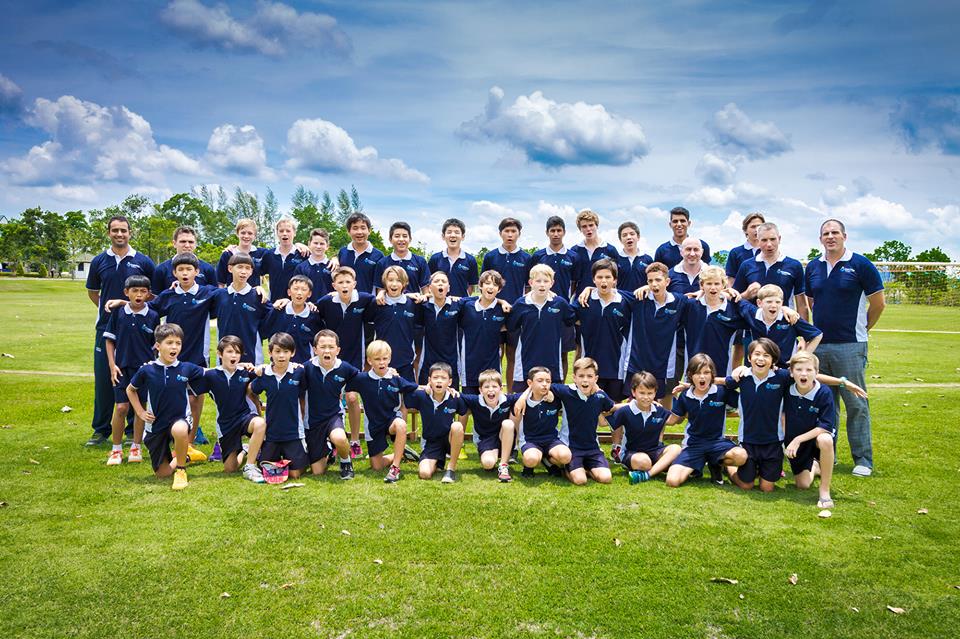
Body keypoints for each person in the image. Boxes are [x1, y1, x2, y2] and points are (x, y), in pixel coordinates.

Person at [804, 219, 885, 476]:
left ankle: (863, 460)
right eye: (825, 233)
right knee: (827, 405)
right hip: (820, 345)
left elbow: (879, 304)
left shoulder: (861, 264)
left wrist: (863, 330)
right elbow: (811, 302)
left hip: (851, 345)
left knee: (856, 403)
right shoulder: (813, 267)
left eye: (835, 233)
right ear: (820, 239)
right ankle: (829, 456)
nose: (830, 237)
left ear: (844, 236)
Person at [85, 215, 156, 446]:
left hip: (137, 332)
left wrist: (126, 307)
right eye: (115, 230)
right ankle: (100, 430)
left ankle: (131, 432)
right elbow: (93, 292)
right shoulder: (99, 261)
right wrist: (112, 313)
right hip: (106, 328)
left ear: (130, 233)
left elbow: (152, 296)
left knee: (136, 377)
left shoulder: (143, 261)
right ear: (109, 233)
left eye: (123, 230)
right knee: (105, 378)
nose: (119, 234)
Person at [126, 324, 204, 490]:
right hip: (156, 425)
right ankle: (186, 455)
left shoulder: (186, 368)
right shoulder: (147, 370)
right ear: (158, 345)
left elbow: (213, 372)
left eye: (178, 343)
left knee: (180, 429)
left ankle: (181, 470)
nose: (174, 347)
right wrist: (140, 412)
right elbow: (130, 390)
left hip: (180, 419)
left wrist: (241, 366)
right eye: (169, 343)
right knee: (163, 473)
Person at [314, 266, 376, 457]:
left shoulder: (365, 300)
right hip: (331, 357)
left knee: (352, 398)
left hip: (355, 357)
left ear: (354, 284)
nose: (344, 285)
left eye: (348, 282)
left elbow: (378, 307)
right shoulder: (325, 302)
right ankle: (330, 439)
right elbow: (314, 314)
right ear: (334, 285)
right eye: (340, 282)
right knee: (330, 398)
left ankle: (355, 440)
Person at [664, 354, 747, 488]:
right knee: (672, 481)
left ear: (712, 375)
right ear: (690, 375)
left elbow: (746, 400)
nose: (702, 377)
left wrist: (744, 371)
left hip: (717, 443)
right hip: (693, 445)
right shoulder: (685, 396)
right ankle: (698, 465)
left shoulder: (722, 392)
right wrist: (650, 409)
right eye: (697, 373)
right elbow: (672, 420)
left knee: (741, 456)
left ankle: (717, 464)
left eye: (706, 373)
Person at [193, 336, 266, 483]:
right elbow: (186, 373)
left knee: (260, 423)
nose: (234, 356)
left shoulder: (245, 372)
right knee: (230, 468)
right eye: (229, 352)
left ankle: (250, 466)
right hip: (226, 424)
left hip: (245, 417)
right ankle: (245, 450)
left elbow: (268, 370)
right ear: (220, 354)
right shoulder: (210, 375)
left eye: (237, 352)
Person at [103, 274, 159, 466]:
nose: (139, 295)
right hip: (121, 368)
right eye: (135, 291)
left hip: (143, 370)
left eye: (143, 291)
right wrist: (112, 365)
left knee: (139, 408)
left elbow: (155, 345)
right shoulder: (118, 313)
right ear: (126, 292)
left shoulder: (153, 316)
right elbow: (110, 341)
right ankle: (116, 449)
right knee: (121, 407)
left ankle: (136, 446)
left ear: (148, 294)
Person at [345, 340, 419, 482]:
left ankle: (395, 468)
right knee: (377, 466)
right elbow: (342, 381)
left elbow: (416, 388)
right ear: (369, 360)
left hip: (391, 421)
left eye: (385, 358)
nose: (381, 362)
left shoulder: (395, 379)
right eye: (377, 359)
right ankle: (402, 453)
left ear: (389, 359)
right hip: (373, 425)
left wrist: (433, 388)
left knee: (401, 425)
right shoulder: (362, 379)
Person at [248, 332, 309, 479]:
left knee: (295, 474)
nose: (281, 355)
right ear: (270, 353)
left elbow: (303, 396)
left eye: (286, 351)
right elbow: (251, 390)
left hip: (293, 432)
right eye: (277, 351)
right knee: (265, 468)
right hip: (271, 433)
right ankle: (251, 450)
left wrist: (302, 417)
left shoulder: (299, 372)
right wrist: (258, 413)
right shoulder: (264, 374)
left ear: (292, 353)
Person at [506, 264, 576, 391]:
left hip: (553, 363)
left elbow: (573, 318)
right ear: (531, 282)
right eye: (538, 281)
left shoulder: (560, 303)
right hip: (525, 363)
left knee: (552, 399)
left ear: (552, 283)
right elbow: (510, 325)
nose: (542, 285)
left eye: (546, 281)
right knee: (524, 399)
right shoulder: (521, 304)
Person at [783, 351, 839, 509]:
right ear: (791, 372)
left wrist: (798, 439)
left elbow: (825, 426)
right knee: (803, 484)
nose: (804, 374)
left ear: (817, 372)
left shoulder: (824, 392)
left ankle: (824, 490)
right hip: (797, 445)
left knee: (826, 440)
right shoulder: (786, 389)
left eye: (809, 370)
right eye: (799, 369)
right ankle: (815, 466)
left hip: (815, 439)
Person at [301, 330, 358, 480]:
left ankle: (346, 461)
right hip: (313, 422)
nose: (327, 351)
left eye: (331, 347)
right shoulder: (306, 368)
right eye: (323, 347)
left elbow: (365, 379)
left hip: (333, 416)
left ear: (338, 350)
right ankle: (329, 450)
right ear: (315, 349)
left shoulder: (345, 368)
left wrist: (388, 373)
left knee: (339, 437)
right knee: (317, 471)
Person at [481, 217, 531, 386]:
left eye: (513, 231)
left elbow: (528, 287)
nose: (510, 235)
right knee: (495, 354)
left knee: (512, 355)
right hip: (493, 312)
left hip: (516, 314)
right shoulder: (490, 257)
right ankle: (491, 391)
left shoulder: (526, 258)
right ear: (500, 233)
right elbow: (484, 284)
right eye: (506, 231)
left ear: (519, 234)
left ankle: (510, 394)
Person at [552, 357, 617, 486]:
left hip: (592, 447)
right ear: (574, 377)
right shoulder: (566, 391)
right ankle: (566, 468)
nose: (585, 380)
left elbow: (612, 407)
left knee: (606, 478)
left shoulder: (600, 396)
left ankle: (586, 468)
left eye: (589, 376)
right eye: (581, 376)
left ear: (596, 379)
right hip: (572, 447)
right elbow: (543, 386)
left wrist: (636, 404)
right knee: (580, 480)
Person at [573, 259, 631, 401]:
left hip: (615, 368)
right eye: (599, 277)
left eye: (608, 277)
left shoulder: (625, 301)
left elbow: (649, 296)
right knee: (590, 406)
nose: (603, 281)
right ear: (593, 279)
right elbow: (565, 313)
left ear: (615, 280)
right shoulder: (584, 301)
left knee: (614, 408)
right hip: (590, 368)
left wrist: (647, 287)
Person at [529, 215, 579, 379]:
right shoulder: (538, 256)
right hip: (540, 311)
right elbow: (530, 282)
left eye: (559, 230)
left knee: (562, 353)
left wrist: (563, 301)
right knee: (539, 350)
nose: (556, 234)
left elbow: (574, 283)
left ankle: (559, 386)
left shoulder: (573, 256)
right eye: (552, 231)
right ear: (547, 232)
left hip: (561, 311)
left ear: (564, 232)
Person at [608, 372, 682, 482]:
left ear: (655, 393)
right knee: (644, 462)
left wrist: (685, 395)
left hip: (654, 451)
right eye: (642, 393)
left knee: (676, 449)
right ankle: (660, 467)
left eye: (650, 393)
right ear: (633, 392)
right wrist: (621, 406)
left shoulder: (659, 410)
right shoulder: (625, 411)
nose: (646, 397)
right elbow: (603, 421)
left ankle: (647, 474)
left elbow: (674, 420)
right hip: (632, 453)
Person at [405, 363, 467, 483]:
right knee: (424, 473)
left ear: (450, 382)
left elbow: (470, 406)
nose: (439, 381)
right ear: (429, 380)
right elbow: (404, 392)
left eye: (443, 378)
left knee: (457, 426)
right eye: (435, 377)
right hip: (432, 443)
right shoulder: (422, 396)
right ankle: (437, 461)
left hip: (449, 440)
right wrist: (420, 387)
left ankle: (451, 469)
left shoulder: (455, 397)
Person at [733, 222, 808, 318]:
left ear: (779, 239)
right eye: (764, 240)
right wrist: (747, 294)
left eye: (773, 239)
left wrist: (803, 327)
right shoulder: (746, 266)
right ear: (758, 241)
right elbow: (735, 299)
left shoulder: (794, 265)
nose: (769, 244)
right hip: (753, 325)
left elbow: (802, 305)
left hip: (784, 324)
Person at [737, 284, 821, 368]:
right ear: (759, 303)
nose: (774, 305)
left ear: (782, 303)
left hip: (785, 369)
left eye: (778, 302)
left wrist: (802, 357)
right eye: (769, 302)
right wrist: (731, 291)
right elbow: (736, 299)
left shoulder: (790, 318)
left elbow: (817, 335)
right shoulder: (752, 313)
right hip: (761, 367)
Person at [210, 253, 271, 365]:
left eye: (247, 268)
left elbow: (275, 314)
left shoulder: (258, 297)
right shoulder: (219, 295)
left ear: (251, 272)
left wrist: (285, 302)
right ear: (230, 268)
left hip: (251, 357)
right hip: (224, 356)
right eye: (240, 267)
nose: (243, 271)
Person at [513, 366, 571, 478]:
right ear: (530, 383)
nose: (544, 384)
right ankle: (529, 467)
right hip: (530, 440)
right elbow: (502, 399)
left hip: (552, 440)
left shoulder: (556, 398)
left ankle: (547, 461)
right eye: (540, 381)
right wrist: (523, 397)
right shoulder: (521, 399)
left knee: (566, 456)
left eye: (548, 381)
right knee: (531, 459)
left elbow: (572, 389)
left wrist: (596, 389)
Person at [459, 369, 516, 482]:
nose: (491, 390)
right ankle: (493, 457)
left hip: (504, 437)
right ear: (480, 390)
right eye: (486, 387)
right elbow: (457, 396)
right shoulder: (475, 400)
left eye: (494, 386)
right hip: (486, 440)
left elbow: (528, 394)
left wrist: (522, 399)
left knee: (508, 423)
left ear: (501, 388)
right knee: (488, 464)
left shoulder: (507, 399)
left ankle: (503, 465)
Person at [261, 275, 322, 365]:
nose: (299, 293)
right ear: (289, 292)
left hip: (303, 365)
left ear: (309, 294)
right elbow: (264, 330)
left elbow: (318, 342)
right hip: (278, 364)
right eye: (296, 289)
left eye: (304, 290)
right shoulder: (278, 310)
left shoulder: (313, 315)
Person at [151, 226, 218, 293]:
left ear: (195, 244)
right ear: (174, 243)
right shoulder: (161, 269)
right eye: (183, 241)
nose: (187, 245)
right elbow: (156, 296)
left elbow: (214, 295)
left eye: (191, 242)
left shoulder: (208, 269)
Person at [570, 209, 619, 295]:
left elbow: (616, 277)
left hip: (604, 297)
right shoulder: (574, 251)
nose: (588, 229)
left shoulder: (610, 250)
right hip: (581, 297)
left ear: (597, 226)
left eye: (591, 225)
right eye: (584, 226)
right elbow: (572, 280)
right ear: (580, 229)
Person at [374, 221, 430, 295]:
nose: (401, 239)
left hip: (414, 302)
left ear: (410, 239)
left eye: (405, 236)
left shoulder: (420, 261)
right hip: (389, 302)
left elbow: (426, 291)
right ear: (390, 239)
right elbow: (380, 291)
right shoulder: (382, 263)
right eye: (397, 236)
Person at [427, 218, 478, 297]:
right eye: (449, 232)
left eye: (457, 232)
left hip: (461, 303)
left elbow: (471, 285)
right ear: (443, 236)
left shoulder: (470, 260)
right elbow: (428, 282)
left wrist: (462, 300)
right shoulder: (435, 259)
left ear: (463, 236)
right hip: (440, 303)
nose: (453, 235)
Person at [337, 212, 385, 295]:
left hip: (368, 301)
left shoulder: (378, 256)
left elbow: (380, 285)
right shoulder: (342, 252)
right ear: (348, 231)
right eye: (355, 228)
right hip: (344, 300)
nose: (359, 232)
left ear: (369, 231)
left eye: (363, 228)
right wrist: (334, 258)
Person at [217, 218, 266, 288]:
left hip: (254, 294)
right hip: (233, 294)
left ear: (255, 236)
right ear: (237, 234)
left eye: (250, 233)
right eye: (243, 233)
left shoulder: (262, 253)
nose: (246, 236)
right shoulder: (228, 254)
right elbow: (220, 282)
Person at [293, 228, 333, 304]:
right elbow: (296, 289)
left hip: (329, 308)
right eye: (315, 243)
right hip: (307, 308)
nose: (318, 246)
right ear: (309, 244)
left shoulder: (333, 266)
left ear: (327, 246)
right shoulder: (301, 267)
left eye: (322, 244)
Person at [725, 212, 765, 287]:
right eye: (753, 227)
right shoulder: (736, 253)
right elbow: (731, 279)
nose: (757, 230)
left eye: (759, 226)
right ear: (745, 230)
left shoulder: (768, 251)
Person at [615, 221, 652, 292]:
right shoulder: (615, 259)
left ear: (638, 237)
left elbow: (653, 281)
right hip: (622, 298)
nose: (629, 237)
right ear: (620, 240)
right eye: (624, 235)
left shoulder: (648, 259)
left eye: (632, 234)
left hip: (643, 298)